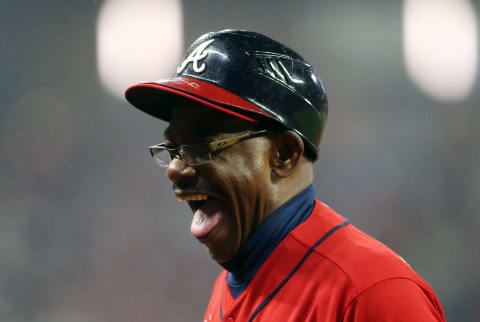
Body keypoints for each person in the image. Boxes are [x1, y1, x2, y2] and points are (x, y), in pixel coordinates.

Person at [125, 30, 446, 321]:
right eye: (174, 148)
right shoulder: (229, 285)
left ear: (284, 154)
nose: (175, 167)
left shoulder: (371, 292)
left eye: (202, 144)